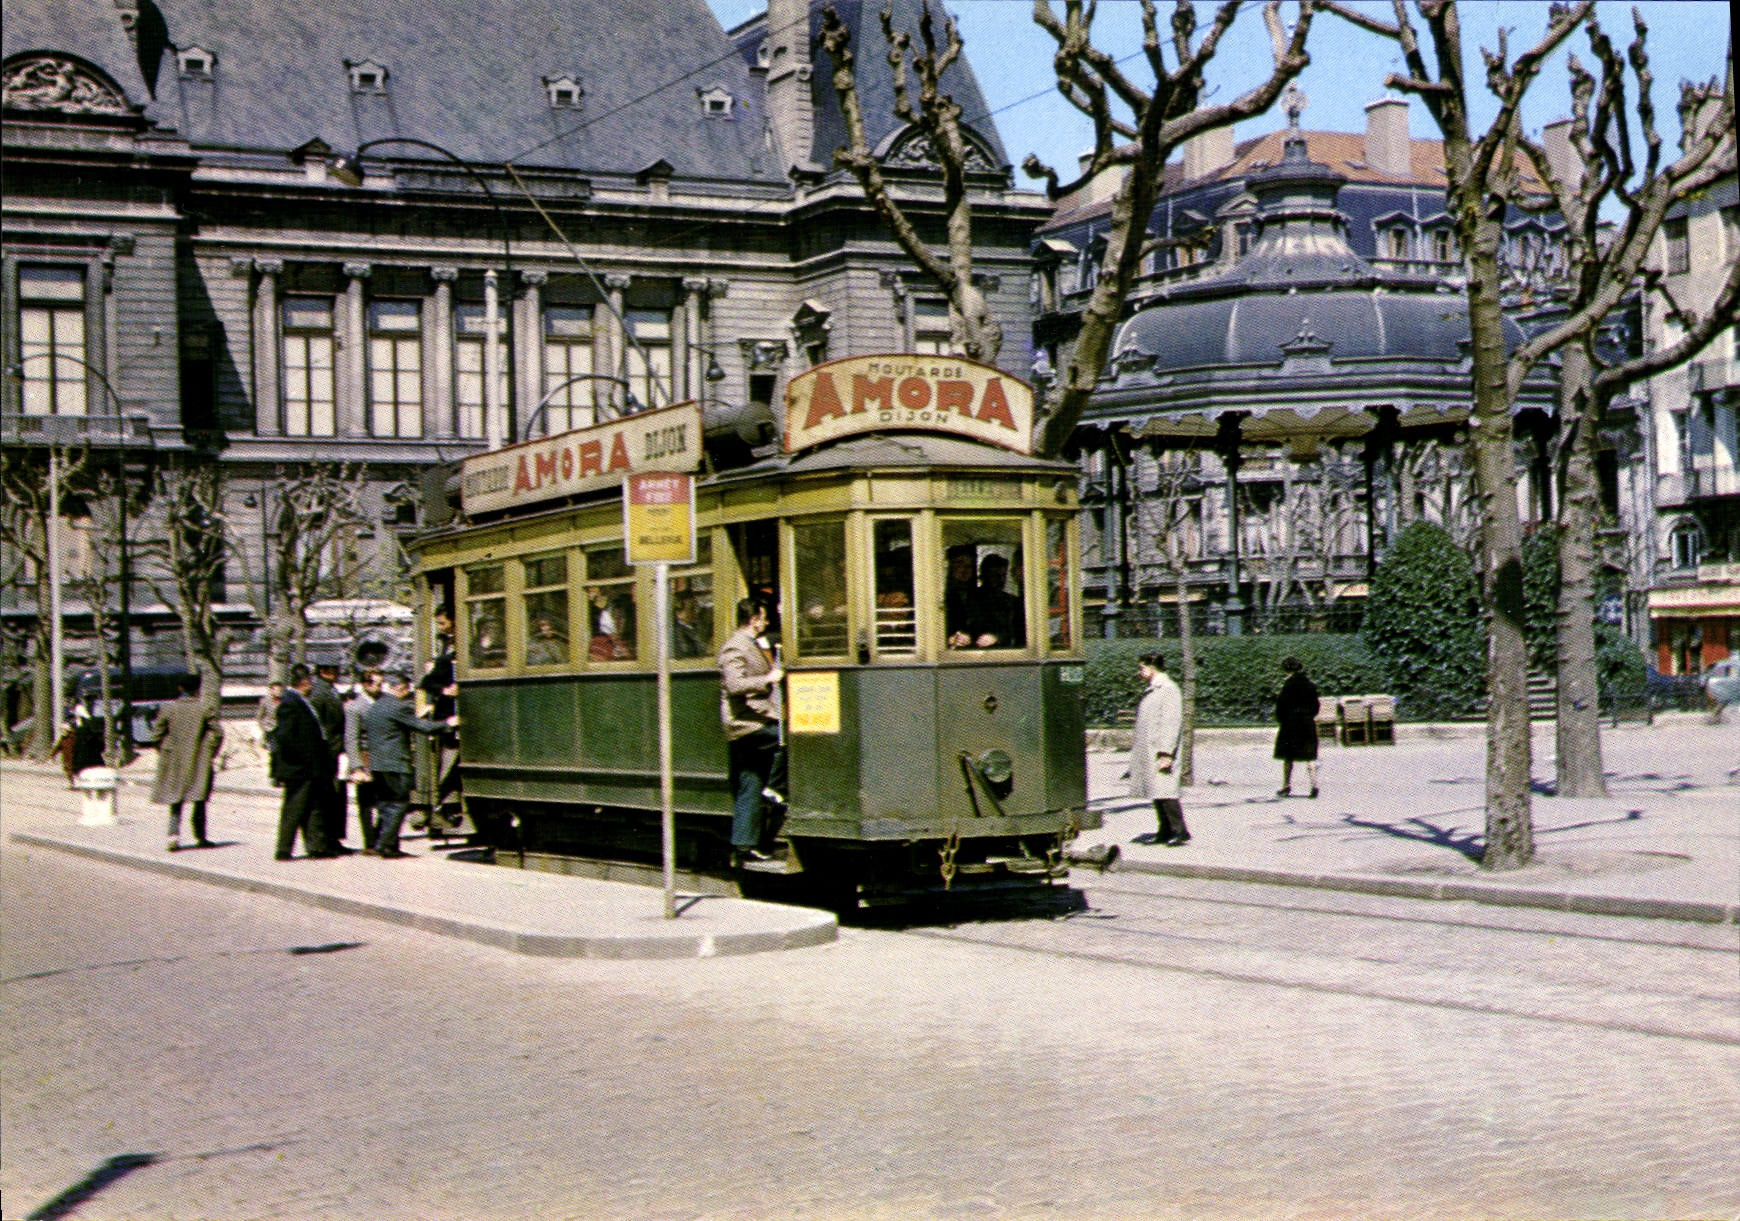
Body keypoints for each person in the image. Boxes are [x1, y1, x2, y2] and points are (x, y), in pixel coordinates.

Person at [718, 598, 786, 866]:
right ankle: (776, 788)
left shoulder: (753, 644)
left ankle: (744, 846)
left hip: (755, 719)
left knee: (750, 781)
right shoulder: (735, 646)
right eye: (764, 618)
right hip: (747, 723)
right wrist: (767, 680)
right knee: (785, 739)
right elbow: (735, 685)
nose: (766, 623)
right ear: (754, 619)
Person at [363, 670, 457, 858]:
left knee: (385, 805)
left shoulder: (375, 707)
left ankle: (387, 846)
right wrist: (448, 723)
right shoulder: (398, 707)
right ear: (401, 688)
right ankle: (384, 844)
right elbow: (422, 727)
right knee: (399, 804)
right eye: (407, 690)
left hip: (378, 764)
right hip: (396, 764)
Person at [149, 672, 223, 852]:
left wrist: (164, 750)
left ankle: (173, 836)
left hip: (175, 760)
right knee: (199, 799)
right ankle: (201, 837)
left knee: (176, 800)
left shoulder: (168, 709)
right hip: (199, 758)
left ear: (179, 688)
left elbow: (156, 735)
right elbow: (218, 733)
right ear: (197, 688)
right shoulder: (205, 708)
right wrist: (209, 751)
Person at [272, 663, 337, 859]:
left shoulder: (300, 700)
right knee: (295, 808)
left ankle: (316, 846)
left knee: (312, 806)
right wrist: (301, 758)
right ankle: (284, 849)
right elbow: (284, 736)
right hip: (300, 768)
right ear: (305, 682)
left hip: (310, 767)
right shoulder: (290, 703)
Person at [1129, 651, 1189, 846]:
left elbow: (1171, 722)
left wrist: (1166, 752)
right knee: (1157, 791)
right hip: (1152, 748)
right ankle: (1164, 830)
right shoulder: (1155, 689)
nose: (1139, 672)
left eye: (1142, 668)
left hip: (1161, 749)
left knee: (1166, 791)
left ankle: (1179, 831)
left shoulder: (1168, 689)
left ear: (1152, 667)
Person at [343, 668, 384, 849]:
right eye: (378, 684)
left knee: (387, 799)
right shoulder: (355, 707)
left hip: (384, 756)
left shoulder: (384, 701)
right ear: (366, 685)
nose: (381, 687)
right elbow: (351, 738)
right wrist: (356, 766)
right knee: (366, 803)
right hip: (366, 757)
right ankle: (369, 841)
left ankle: (381, 837)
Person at [309, 661, 349, 848]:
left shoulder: (331, 690)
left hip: (335, 750)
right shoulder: (319, 693)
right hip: (327, 752)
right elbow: (317, 725)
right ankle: (325, 839)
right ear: (321, 672)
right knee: (328, 796)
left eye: (334, 669)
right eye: (328, 670)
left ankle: (333, 838)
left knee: (337, 796)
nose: (332, 673)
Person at [1273, 655, 1321, 798]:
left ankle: (1286, 786)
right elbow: (1316, 706)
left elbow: (1280, 707)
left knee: (1288, 757)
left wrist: (1282, 720)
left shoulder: (1287, 686)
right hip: (1307, 723)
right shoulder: (1311, 686)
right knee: (1310, 755)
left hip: (1290, 723)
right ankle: (1314, 785)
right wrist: (1309, 716)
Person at [967, 553, 1025, 648]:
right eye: (994, 576)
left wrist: (998, 637)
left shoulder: (1012, 601)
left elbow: (1017, 631)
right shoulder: (970, 599)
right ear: (984, 576)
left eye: (1003, 576)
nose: (1000, 581)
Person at [944, 545, 978, 648]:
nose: (964, 570)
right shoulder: (940, 595)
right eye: (959, 564)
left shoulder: (981, 596)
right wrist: (947, 639)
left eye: (969, 566)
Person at [671, 591, 708, 660]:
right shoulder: (676, 633)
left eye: (697, 607)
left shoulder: (696, 628)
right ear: (679, 613)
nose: (696, 611)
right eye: (692, 608)